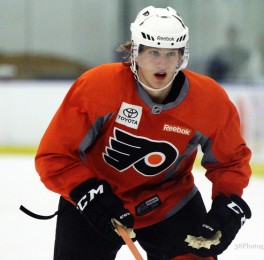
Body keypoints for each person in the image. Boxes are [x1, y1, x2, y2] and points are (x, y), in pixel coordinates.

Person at [35, 6, 252, 260]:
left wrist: (227, 204)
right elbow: (54, 156)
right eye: (153, 52)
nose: (162, 63)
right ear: (135, 53)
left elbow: (231, 161)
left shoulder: (208, 100)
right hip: (96, 203)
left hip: (169, 203)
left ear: (183, 56)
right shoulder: (99, 87)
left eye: (172, 54)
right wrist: (89, 195)